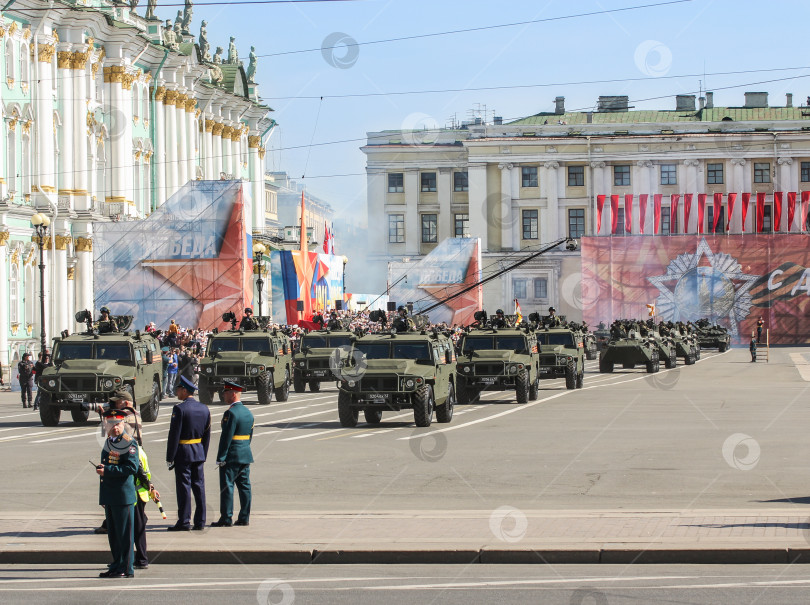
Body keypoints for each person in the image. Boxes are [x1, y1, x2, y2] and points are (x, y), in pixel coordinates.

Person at [96, 409, 139, 578]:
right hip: (111, 496)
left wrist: (108, 470)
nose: (115, 427)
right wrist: (103, 497)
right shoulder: (109, 442)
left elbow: (131, 468)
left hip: (123, 496)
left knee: (124, 535)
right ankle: (116, 564)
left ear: (123, 424)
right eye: (111, 424)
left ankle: (126, 568)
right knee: (113, 535)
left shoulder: (129, 442)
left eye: (118, 423)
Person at [165, 375, 211, 531]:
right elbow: (207, 434)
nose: (177, 392)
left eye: (179, 389)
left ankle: (184, 521)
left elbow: (174, 435)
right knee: (199, 486)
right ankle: (200, 521)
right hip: (198, 451)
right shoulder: (204, 408)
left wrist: (170, 457)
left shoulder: (179, 409)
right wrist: (203, 453)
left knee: (184, 487)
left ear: (184, 390)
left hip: (183, 452)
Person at [211, 381, 254, 527]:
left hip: (231, 456)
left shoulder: (230, 413)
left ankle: (226, 517)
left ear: (233, 394)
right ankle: (244, 517)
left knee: (227, 486)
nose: (223, 395)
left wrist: (221, 457)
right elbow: (250, 436)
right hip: (245, 454)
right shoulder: (248, 413)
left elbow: (226, 437)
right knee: (245, 487)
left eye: (226, 392)